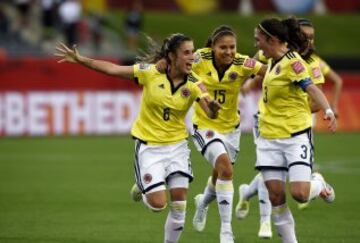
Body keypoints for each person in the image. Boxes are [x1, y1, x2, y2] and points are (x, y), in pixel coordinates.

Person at [54, 33, 221, 243]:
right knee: (158, 205)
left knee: (180, 204)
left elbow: (210, 111)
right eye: (186, 53)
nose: (192, 57)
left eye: (193, 52)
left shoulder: (195, 83)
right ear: (172, 56)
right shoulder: (150, 73)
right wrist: (81, 59)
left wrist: (213, 109)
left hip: (177, 146)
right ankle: (142, 187)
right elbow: (113, 69)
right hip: (150, 148)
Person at [235, 18, 343, 237]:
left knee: (300, 194)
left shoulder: (294, 63)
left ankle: (319, 183)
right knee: (276, 197)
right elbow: (249, 66)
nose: (256, 44)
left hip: (295, 137)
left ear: (272, 39)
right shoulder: (268, 57)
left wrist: (328, 111)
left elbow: (311, 88)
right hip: (268, 137)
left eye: (258, 40)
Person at [189, 25, 266, 243]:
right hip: (204, 125)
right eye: (223, 47)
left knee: (221, 172)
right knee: (225, 168)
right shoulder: (199, 59)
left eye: (232, 47)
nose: (229, 52)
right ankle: (226, 232)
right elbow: (179, 65)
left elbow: (270, 72)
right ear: (213, 47)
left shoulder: (243, 62)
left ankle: (203, 202)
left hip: (231, 128)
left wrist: (255, 80)